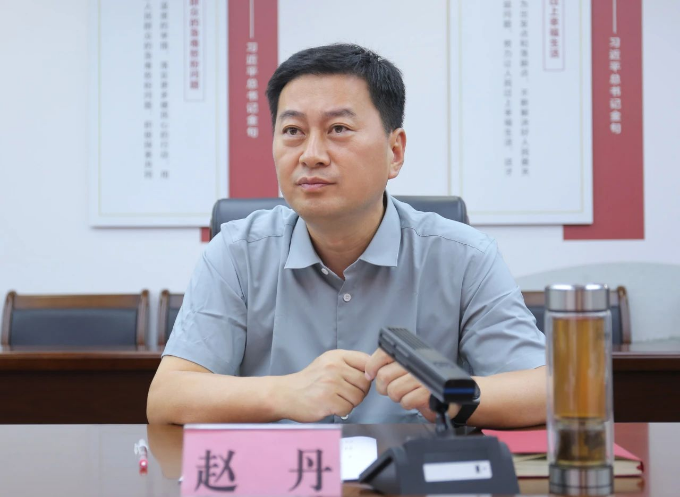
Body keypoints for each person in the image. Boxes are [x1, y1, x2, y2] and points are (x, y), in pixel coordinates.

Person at [147, 43, 546, 427]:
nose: (311, 155)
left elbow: (545, 390)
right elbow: (167, 398)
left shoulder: (464, 257)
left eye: (338, 129)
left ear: (395, 151)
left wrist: (450, 393)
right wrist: (285, 392)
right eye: (292, 130)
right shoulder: (237, 254)